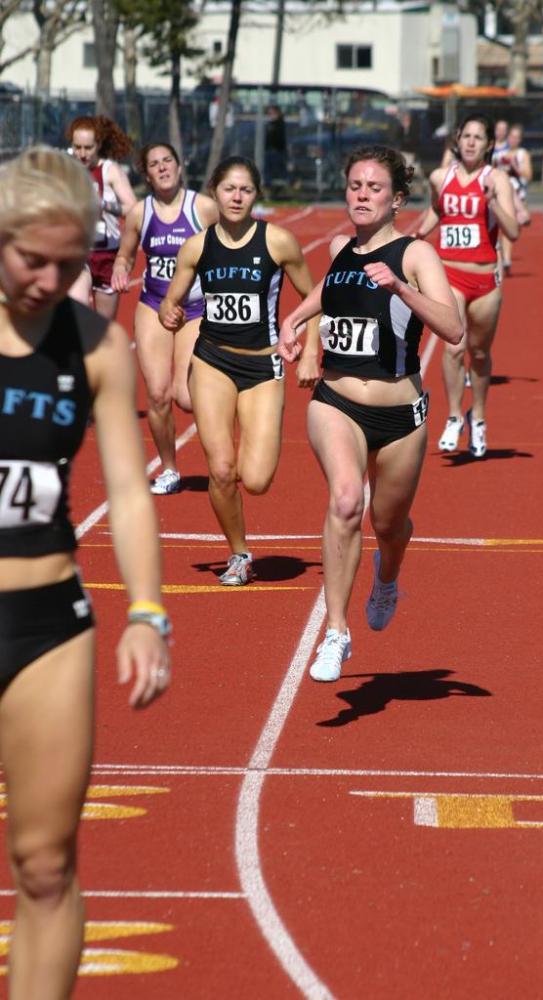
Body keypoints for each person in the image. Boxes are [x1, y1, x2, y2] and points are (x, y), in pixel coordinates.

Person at [0, 147, 171, 997]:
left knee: (44, 865)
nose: (51, 280)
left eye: (71, 264)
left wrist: (148, 614)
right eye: (34, 260)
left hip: (44, 630)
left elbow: (131, 495)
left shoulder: (99, 347)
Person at [277, 145, 464, 682]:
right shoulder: (340, 248)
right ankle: (336, 631)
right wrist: (293, 321)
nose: (361, 195)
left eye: (374, 188)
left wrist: (401, 287)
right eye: (354, 186)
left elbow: (452, 330)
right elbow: (330, 292)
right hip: (336, 401)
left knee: (388, 523)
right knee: (345, 499)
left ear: (397, 199)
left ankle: (388, 577)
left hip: (401, 413)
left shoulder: (414, 254)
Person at [159, 156, 319, 585]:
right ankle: (239, 554)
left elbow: (317, 298)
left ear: (256, 195)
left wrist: (309, 352)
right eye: (229, 188)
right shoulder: (197, 245)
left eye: (245, 190)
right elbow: (170, 302)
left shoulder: (278, 242)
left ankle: (240, 544)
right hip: (211, 360)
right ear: (215, 191)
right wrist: (169, 315)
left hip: (262, 366)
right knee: (222, 470)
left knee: (258, 479)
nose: (236, 197)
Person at [111, 143, 219, 495]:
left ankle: (220, 456)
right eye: (154, 164)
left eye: (167, 161)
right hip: (154, 305)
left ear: (179, 164)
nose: (162, 168)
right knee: (157, 394)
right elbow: (125, 256)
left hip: (194, 308)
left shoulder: (202, 208)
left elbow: (231, 243)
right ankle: (170, 469)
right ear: (146, 174)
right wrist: (120, 271)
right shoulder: (140, 214)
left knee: (186, 397)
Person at [413, 113, 519, 459]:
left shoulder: (497, 179)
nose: (471, 142)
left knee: (480, 353)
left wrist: (490, 201)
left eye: (478, 137)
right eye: (466, 136)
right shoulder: (440, 177)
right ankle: (456, 415)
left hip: (486, 278)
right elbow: (437, 211)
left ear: (489, 144)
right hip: (450, 275)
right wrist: (415, 236)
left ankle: (480, 416)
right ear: (457, 140)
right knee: (453, 348)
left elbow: (514, 231)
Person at [67, 115, 137, 319]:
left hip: (108, 255)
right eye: (77, 147)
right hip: (79, 254)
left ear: (98, 145)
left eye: (88, 148)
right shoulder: (66, 168)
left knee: (104, 328)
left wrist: (104, 205)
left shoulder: (110, 170)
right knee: (77, 312)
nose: (82, 154)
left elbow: (133, 209)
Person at [496, 123, 532, 273]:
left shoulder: (522, 154)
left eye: (516, 137)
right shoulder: (498, 155)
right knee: (503, 226)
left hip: (518, 195)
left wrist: (516, 168)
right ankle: (506, 260)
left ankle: (505, 258)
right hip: (501, 194)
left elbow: (528, 176)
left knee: (512, 228)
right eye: (511, 136)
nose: (513, 140)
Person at [264, 104, 288, 193]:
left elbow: (279, 139)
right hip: (269, 151)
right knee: (268, 170)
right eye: (269, 113)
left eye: (272, 113)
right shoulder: (269, 124)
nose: (271, 115)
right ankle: (268, 187)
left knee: (280, 169)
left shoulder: (280, 124)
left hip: (277, 151)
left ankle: (286, 185)